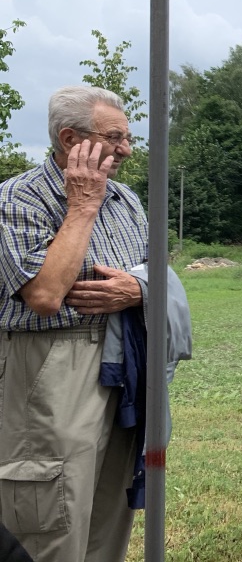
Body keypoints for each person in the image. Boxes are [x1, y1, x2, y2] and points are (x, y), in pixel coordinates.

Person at [0, 86, 149, 562]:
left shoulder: (126, 200)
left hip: (122, 357)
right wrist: (83, 206)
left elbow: (151, 271)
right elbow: (45, 295)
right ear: (69, 139)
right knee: (51, 505)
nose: (127, 150)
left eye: (128, 138)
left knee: (110, 503)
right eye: (115, 138)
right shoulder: (19, 197)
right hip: (51, 363)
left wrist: (138, 290)